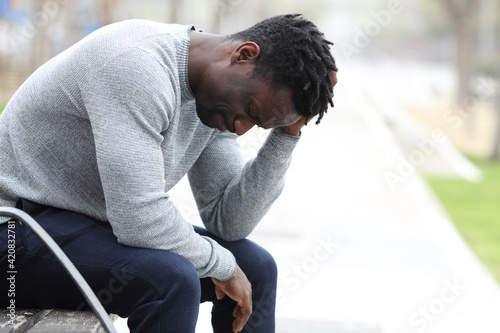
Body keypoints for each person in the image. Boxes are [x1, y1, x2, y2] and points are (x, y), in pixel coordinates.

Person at [0, 13, 337, 333]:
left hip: (84, 225)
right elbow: (140, 219)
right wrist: (222, 266)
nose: (241, 128)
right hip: (14, 229)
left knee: (256, 267)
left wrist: (287, 133)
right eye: (250, 111)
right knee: (170, 280)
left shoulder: (217, 99)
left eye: (258, 124)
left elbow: (229, 221)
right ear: (243, 54)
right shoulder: (137, 66)